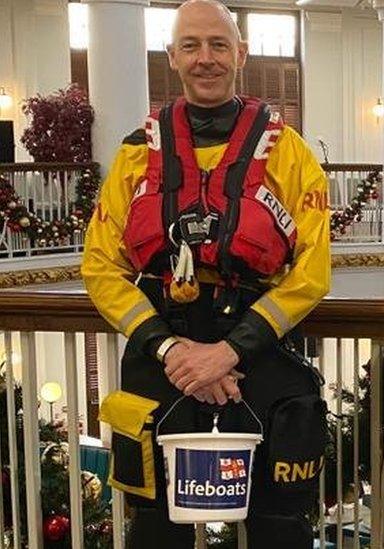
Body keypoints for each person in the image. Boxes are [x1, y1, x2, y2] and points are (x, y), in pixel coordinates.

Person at [82, 1, 331, 546]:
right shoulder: (133, 157)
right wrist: (173, 351)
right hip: (160, 359)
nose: (206, 59)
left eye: (218, 45)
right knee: (153, 526)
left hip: (261, 359)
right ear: (171, 57)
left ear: (240, 54)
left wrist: (229, 351)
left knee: (280, 526)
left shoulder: (290, 153)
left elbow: (312, 271)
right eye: (191, 46)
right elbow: (100, 268)